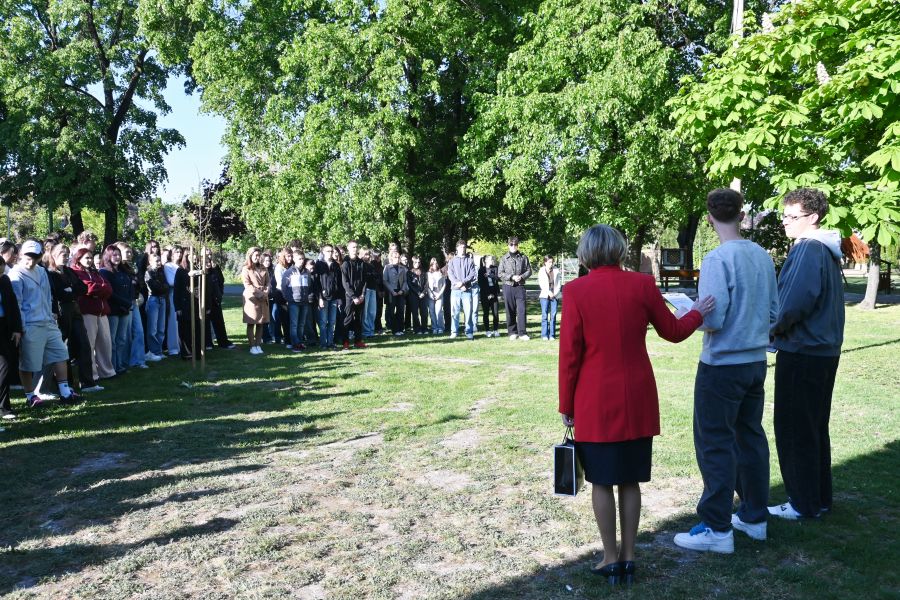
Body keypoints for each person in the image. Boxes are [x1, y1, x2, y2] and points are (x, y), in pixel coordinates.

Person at [558, 225, 713, 585]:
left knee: (601, 481)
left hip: (594, 398)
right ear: (619, 250)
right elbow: (673, 331)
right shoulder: (642, 285)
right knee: (630, 479)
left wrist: (566, 404)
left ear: (585, 254)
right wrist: (697, 312)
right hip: (636, 395)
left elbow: (570, 356)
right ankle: (629, 556)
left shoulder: (575, 291)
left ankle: (610, 557)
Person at [673, 189, 778, 554]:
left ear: (709, 218)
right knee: (750, 438)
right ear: (741, 215)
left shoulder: (717, 259)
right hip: (755, 363)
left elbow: (713, 319)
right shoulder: (761, 255)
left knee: (715, 443)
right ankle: (754, 517)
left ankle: (717, 527)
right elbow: (774, 313)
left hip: (721, 367)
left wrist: (687, 313)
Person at [768, 188, 846, 520]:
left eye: (792, 216)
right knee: (813, 426)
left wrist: (771, 329)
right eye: (784, 216)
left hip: (804, 351)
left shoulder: (809, 248)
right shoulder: (825, 248)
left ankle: (802, 503)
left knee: (795, 427)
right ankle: (818, 499)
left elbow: (794, 303)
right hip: (821, 352)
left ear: (813, 217)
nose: (785, 222)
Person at [8, 240, 83, 406]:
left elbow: (48, 295)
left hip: (48, 322)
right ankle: (30, 396)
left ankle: (65, 392)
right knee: (28, 363)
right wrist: (21, 327)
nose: (31, 261)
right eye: (28, 257)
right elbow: (16, 304)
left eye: (35, 257)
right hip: (30, 325)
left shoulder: (42, 271)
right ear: (21, 254)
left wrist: (51, 314)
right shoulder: (15, 275)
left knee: (61, 354)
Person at [46, 244, 103, 393]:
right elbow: (57, 293)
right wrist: (70, 291)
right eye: (63, 254)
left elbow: (83, 288)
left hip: (75, 310)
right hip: (61, 312)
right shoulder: (50, 273)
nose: (66, 257)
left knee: (84, 344)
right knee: (63, 348)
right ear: (54, 255)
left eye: (67, 254)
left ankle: (88, 383)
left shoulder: (69, 271)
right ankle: (67, 384)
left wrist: (70, 290)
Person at [72, 248, 116, 381]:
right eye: (86, 258)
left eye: (91, 258)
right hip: (88, 312)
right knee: (89, 345)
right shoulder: (75, 272)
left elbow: (109, 288)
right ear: (79, 259)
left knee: (105, 344)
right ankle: (92, 374)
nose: (89, 260)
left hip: (102, 312)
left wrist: (99, 290)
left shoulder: (95, 272)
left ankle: (107, 372)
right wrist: (100, 289)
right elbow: (88, 288)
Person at [99, 245, 134, 374]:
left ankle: (120, 365)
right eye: (114, 255)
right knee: (112, 340)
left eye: (119, 254)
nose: (118, 257)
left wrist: (129, 302)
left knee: (122, 339)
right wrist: (124, 303)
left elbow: (130, 288)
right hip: (113, 310)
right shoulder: (104, 272)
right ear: (108, 256)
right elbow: (110, 293)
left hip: (125, 309)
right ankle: (112, 367)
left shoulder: (124, 271)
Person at [116, 242, 148, 370]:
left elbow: (137, 284)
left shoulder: (130, 268)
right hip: (125, 304)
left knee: (139, 331)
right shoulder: (118, 269)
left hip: (134, 302)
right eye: (127, 252)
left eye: (130, 252)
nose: (130, 254)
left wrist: (138, 294)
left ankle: (138, 360)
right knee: (126, 334)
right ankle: (125, 362)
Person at [0, 255, 23, 419]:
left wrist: (17, 329)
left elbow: (13, 305)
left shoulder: (5, 280)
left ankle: (4, 407)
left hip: (4, 327)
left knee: (6, 366)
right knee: (4, 366)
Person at [498, 236, 532, 340]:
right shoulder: (504, 258)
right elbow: (500, 273)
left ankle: (522, 333)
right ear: (508, 245)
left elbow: (529, 270)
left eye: (515, 244)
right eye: (511, 244)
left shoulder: (523, 257)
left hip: (520, 287)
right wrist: (511, 277)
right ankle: (512, 332)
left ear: (518, 245)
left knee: (521, 310)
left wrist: (521, 277)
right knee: (510, 310)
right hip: (508, 286)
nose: (513, 246)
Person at [204, 250, 235, 350]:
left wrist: (220, 294)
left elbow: (221, 281)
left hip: (215, 300)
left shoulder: (215, 269)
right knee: (205, 322)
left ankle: (223, 342)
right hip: (205, 300)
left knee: (219, 322)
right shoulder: (201, 272)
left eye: (210, 255)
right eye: (206, 255)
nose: (209, 257)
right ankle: (207, 343)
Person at [241, 247, 270, 354]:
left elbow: (268, 283)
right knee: (251, 323)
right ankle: (252, 346)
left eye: (259, 255)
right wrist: (259, 293)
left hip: (263, 298)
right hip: (252, 299)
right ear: (250, 256)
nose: (258, 257)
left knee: (261, 323)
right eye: (255, 255)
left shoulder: (263, 268)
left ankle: (258, 345)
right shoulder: (246, 269)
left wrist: (265, 292)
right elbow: (247, 284)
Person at [313, 244, 342, 349]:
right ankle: (323, 343)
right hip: (323, 298)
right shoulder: (319, 264)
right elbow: (316, 283)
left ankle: (330, 342)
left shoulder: (336, 265)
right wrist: (320, 298)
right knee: (323, 322)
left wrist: (339, 298)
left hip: (334, 297)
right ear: (323, 252)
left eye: (331, 251)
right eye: (328, 251)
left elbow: (339, 283)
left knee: (332, 321)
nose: (330, 253)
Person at [282, 249, 311, 351]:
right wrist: (288, 299)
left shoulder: (307, 272)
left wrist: (307, 297)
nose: (301, 261)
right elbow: (284, 288)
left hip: (304, 302)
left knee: (301, 324)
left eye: (303, 259)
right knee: (294, 324)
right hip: (293, 302)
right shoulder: (288, 272)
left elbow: (309, 286)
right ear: (294, 259)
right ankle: (295, 344)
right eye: (299, 259)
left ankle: (300, 342)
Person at [447, 241, 477, 339]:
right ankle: (454, 331)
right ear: (457, 248)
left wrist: (463, 282)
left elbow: (472, 274)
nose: (462, 249)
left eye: (464, 247)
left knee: (468, 312)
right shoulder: (452, 261)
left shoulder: (470, 261)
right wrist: (459, 284)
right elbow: (450, 275)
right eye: (460, 247)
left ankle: (468, 331)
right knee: (454, 313)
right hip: (455, 290)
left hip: (467, 290)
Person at [340, 241, 367, 349]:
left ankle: (358, 341)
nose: (355, 249)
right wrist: (353, 297)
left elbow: (364, 280)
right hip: (349, 296)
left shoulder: (361, 262)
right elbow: (345, 282)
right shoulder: (345, 263)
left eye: (356, 247)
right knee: (347, 318)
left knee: (358, 319)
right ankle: (345, 342)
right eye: (353, 247)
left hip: (360, 295)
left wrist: (362, 294)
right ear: (348, 248)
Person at [144, 253, 170, 360]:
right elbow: (154, 287)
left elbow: (166, 285)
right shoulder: (148, 272)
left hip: (162, 300)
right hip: (153, 300)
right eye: (156, 261)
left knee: (161, 328)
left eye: (159, 260)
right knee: (152, 329)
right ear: (150, 262)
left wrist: (162, 286)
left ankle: (159, 351)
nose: (159, 263)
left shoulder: (161, 271)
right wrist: (162, 287)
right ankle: (153, 351)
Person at [382, 250, 408, 336]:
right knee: (391, 311)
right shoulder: (387, 267)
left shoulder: (402, 268)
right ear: (391, 258)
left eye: (398, 257)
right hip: (391, 292)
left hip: (400, 292)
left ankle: (400, 329)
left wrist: (402, 290)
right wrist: (392, 291)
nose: (397, 259)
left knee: (400, 310)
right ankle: (395, 330)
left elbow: (405, 281)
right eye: (395, 257)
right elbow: (385, 280)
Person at [163, 247, 183, 356]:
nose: (179, 254)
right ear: (172, 254)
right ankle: (173, 348)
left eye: (180, 252)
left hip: (182, 295)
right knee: (173, 321)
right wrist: (183, 282)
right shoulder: (168, 266)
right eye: (177, 252)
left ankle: (181, 345)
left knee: (181, 321)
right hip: (172, 295)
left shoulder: (181, 265)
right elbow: (171, 282)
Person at [538, 255, 562, 341]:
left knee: (553, 315)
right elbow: (541, 284)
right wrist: (548, 292)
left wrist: (554, 293)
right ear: (545, 262)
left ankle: (552, 335)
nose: (551, 264)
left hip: (555, 296)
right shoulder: (541, 271)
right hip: (544, 295)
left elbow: (559, 284)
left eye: (552, 262)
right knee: (544, 315)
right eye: (549, 262)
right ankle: (544, 334)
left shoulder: (556, 270)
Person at [478, 255, 500, 338]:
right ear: (486, 261)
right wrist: (488, 294)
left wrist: (490, 275)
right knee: (486, 313)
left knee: (495, 313)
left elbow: (498, 278)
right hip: (485, 294)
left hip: (494, 293)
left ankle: (496, 330)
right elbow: (481, 283)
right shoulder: (481, 270)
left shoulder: (495, 268)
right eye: (490, 259)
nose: (492, 261)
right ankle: (487, 330)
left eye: (492, 259)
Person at [407, 255, 428, 335]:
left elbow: (426, 283)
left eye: (419, 262)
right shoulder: (409, 272)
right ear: (412, 262)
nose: (417, 264)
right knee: (415, 313)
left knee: (424, 313)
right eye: (415, 262)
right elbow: (410, 284)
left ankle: (424, 328)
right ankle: (417, 329)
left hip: (423, 295)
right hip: (413, 295)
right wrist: (418, 293)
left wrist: (423, 292)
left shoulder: (423, 272)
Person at [426, 257, 446, 335]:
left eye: (436, 263)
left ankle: (440, 327)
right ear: (431, 264)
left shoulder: (441, 273)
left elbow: (444, 284)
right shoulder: (428, 273)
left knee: (439, 311)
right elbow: (427, 285)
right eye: (433, 263)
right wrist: (431, 294)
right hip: (431, 294)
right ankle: (434, 327)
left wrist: (439, 294)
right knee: (432, 312)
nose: (434, 265)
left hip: (439, 294)